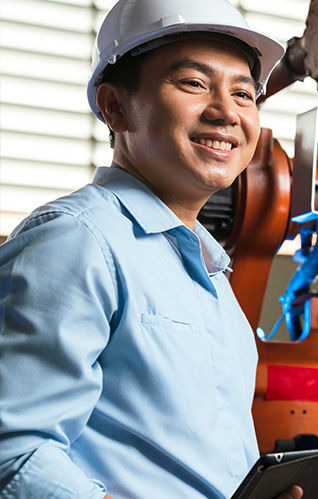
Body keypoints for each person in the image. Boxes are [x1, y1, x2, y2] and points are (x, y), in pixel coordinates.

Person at [0, 1, 301, 497]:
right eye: (193, 84)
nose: (226, 111)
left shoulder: (211, 277)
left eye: (244, 93)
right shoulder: (77, 240)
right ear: (115, 106)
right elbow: (14, 453)